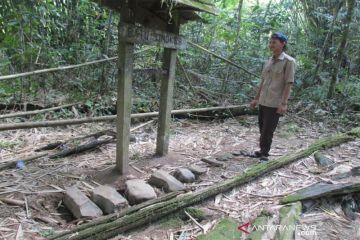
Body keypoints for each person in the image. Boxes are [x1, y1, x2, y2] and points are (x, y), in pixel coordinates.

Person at [249, 32, 296, 162]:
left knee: (268, 130)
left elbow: (288, 83)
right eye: (270, 42)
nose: (271, 45)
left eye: (274, 42)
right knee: (262, 126)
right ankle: (262, 150)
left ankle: (264, 153)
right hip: (264, 100)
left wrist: (284, 103)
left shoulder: (288, 61)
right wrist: (256, 99)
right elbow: (263, 82)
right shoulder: (268, 61)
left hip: (275, 102)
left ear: (283, 44)